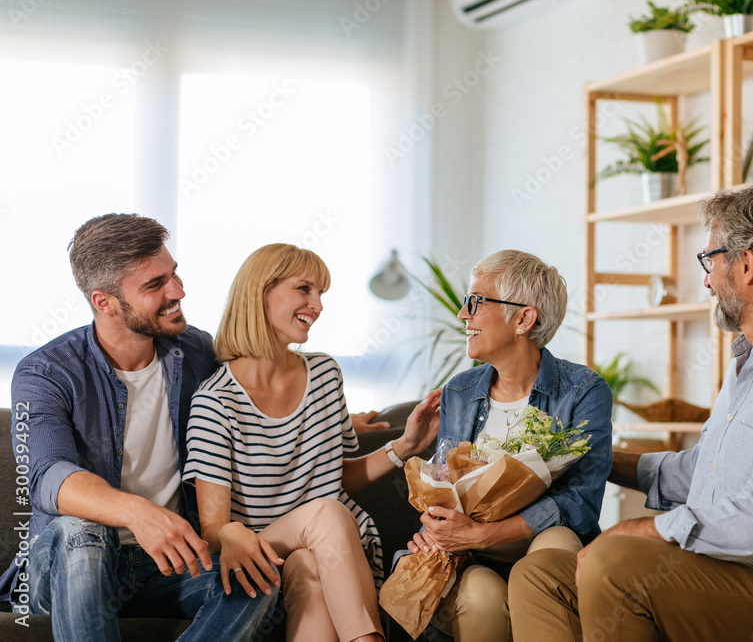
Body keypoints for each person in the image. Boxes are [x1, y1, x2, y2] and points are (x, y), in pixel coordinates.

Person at [509, 183, 753, 641]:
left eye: (710, 260)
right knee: (541, 573)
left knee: (614, 563)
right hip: (736, 572)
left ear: (746, 265)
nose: (706, 279)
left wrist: (644, 529)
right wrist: (597, 458)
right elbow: (705, 472)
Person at [1, 214, 278, 641]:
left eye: (174, 274)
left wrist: (348, 420)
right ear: (104, 302)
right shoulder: (45, 372)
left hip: (166, 565)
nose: (178, 292)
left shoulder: (196, 352)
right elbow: (48, 477)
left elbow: (250, 398)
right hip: (72, 564)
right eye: (155, 285)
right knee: (81, 530)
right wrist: (140, 513)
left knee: (253, 577)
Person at [183, 243, 440, 642]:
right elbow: (215, 528)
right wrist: (230, 534)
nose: (317, 305)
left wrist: (405, 446)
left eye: (321, 293)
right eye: (305, 289)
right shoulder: (215, 402)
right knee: (327, 514)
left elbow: (338, 478)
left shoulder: (324, 374)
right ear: (261, 293)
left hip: (327, 552)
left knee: (310, 559)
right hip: (260, 554)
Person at [407, 250, 613, 641]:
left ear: (523, 318)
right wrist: (436, 526)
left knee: (551, 549)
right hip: (475, 557)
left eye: (475, 302)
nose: (462, 314)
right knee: (481, 597)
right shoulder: (459, 391)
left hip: (543, 539)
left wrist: (484, 534)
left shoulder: (583, 391)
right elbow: (446, 484)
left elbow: (580, 505)